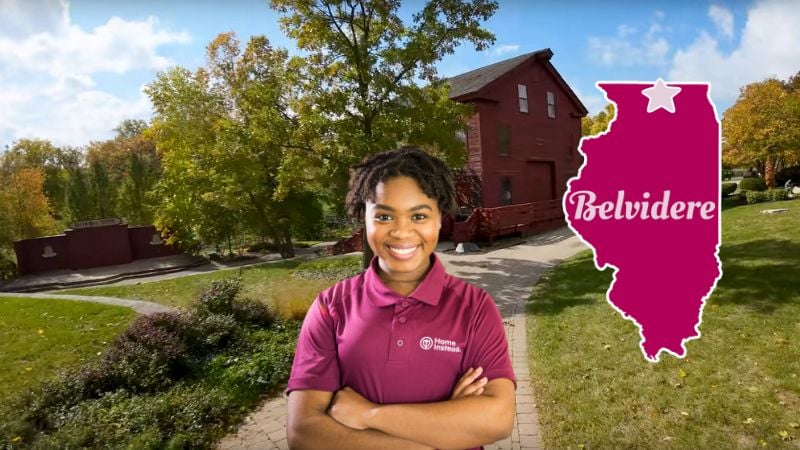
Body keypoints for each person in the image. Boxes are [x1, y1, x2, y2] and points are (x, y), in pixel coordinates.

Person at [286, 147, 516, 450]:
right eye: (383, 216)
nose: (402, 231)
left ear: (439, 220)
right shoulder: (332, 307)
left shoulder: (474, 308)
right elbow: (304, 433)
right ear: (363, 218)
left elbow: (497, 419)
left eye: (419, 215)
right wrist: (448, 430)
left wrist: (368, 414)